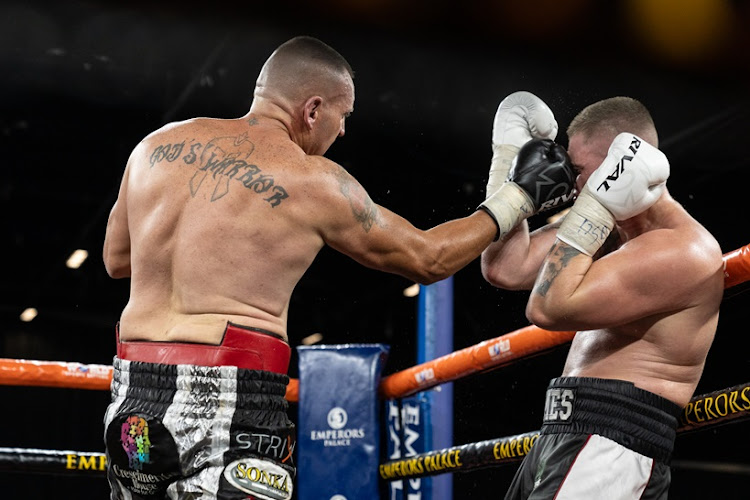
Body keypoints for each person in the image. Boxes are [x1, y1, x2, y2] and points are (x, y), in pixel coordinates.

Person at [102, 37, 575, 499]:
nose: (343, 131)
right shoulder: (314, 182)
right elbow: (428, 258)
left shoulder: (155, 146)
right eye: (342, 115)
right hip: (230, 395)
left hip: (132, 397)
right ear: (312, 110)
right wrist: (518, 197)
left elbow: (116, 260)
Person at [481, 95, 725, 499]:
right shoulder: (609, 231)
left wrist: (595, 207)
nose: (571, 183)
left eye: (579, 170)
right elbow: (504, 267)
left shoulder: (681, 249)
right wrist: (507, 165)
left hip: (611, 442)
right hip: (566, 433)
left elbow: (546, 307)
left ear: (623, 161)